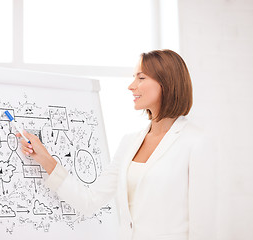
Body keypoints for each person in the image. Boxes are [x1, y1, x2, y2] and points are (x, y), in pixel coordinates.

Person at [16, 49, 219, 240]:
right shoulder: (130, 142)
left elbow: (203, 229)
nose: (131, 86)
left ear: (166, 83)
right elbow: (90, 201)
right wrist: (44, 158)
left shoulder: (196, 143)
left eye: (141, 78)